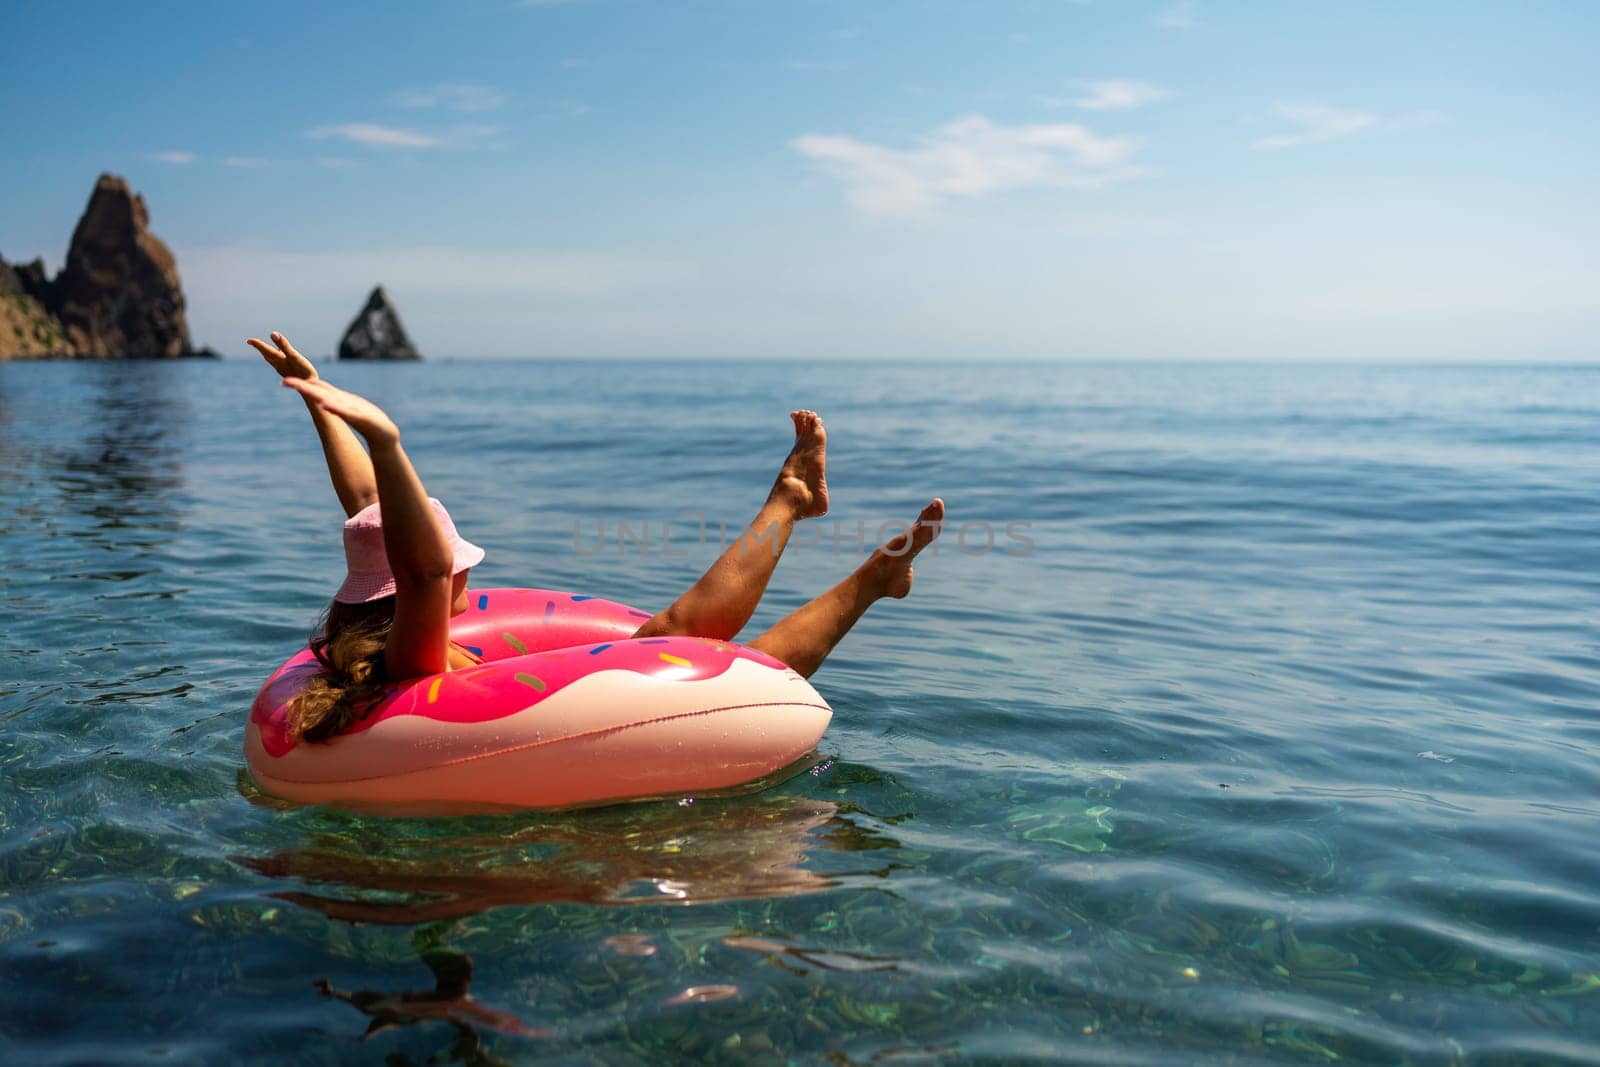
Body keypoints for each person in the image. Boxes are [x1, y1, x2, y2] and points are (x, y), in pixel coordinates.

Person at [248, 331, 944, 743]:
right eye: (459, 562)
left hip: (520, 714)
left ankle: (797, 506)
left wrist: (317, 400)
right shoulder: (415, 646)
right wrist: (385, 436)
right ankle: (852, 563)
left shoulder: (369, 641)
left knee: (676, 630)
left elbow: (368, 505)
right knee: (724, 654)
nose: (463, 573)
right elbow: (422, 566)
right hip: (544, 749)